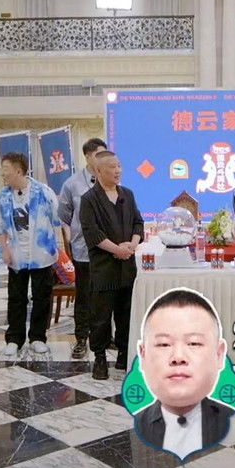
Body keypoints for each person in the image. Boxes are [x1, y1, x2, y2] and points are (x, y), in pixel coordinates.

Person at [134, 288, 233, 459]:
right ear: (143, 355)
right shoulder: (132, 429)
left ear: (219, 354)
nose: (178, 357)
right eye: (164, 344)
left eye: (194, 343)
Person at [80, 150, 143, 380]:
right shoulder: (89, 199)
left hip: (127, 267)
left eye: (119, 166)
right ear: (98, 171)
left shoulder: (127, 194)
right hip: (104, 267)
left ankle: (123, 355)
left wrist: (132, 245)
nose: (117, 171)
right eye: (112, 167)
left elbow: (138, 223)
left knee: (125, 315)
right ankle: (99, 359)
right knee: (101, 317)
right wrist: (117, 250)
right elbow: (92, 233)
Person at [0, 151, 61, 360]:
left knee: (42, 297)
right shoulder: (2, 196)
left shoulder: (44, 192)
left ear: (18, 171)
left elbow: (57, 220)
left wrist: (60, 247)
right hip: (16, 255)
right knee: (16, 297)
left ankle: (38, 338)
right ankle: (14, 339)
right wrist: (4, 249)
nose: (3, 175)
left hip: (42, 254)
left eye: (6, 170)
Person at [58, 137, 108, 360]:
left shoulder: (110, 179)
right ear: (87, 156)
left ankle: (105, 337)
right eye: (98, 155)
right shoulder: (72, 184)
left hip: (108, 249)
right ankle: (81, 338)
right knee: (84, 296)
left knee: (105, 295)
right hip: (83, 249)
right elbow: (64, 214)